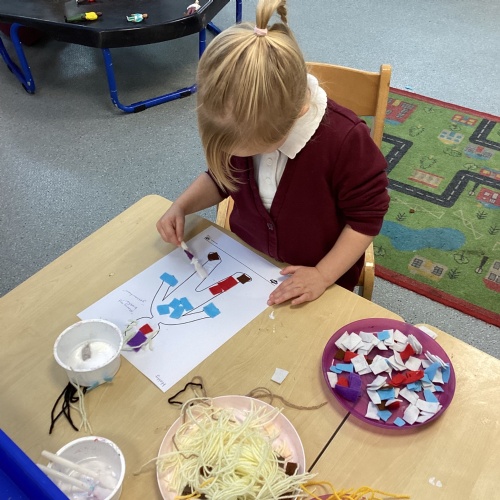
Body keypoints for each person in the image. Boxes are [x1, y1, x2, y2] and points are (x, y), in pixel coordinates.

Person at [157, 0, 389, 306]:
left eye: (248, 149)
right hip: (249, 262)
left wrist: (322, 275)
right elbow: (221, 178)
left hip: (317, 276)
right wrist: (182, 206)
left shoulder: (346, 141)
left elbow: (365, 220)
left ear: (287, 124)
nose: (236, 156)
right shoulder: (246, 118)